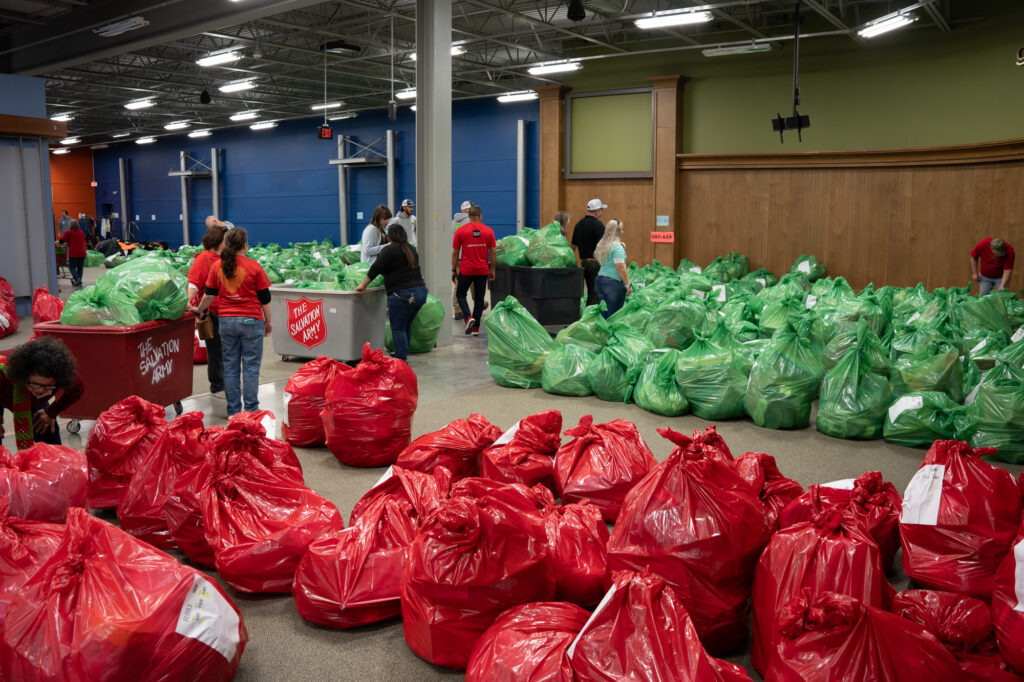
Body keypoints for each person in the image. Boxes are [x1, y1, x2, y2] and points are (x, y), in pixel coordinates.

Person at [190, 228, 272, 416]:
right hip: (251, 321)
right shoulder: (254, 266)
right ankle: (251, 409)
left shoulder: (217, 266)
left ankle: (234, 412)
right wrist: (269, 322)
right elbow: (265, 298)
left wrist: (199, 309)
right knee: (251, 366)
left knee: (230, 366)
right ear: (245, 244)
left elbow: (209, 295)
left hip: (226, 321)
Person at [355, 224, 428, 362]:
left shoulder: (389, 250)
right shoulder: (411, 248)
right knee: (406, 325)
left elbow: (376, 268)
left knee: (398, 328)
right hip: (420, 292)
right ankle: (402, 353)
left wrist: (363, 285)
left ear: (389, 237)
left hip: (403, 294)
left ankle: (401, 359)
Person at [0, 336, 84, 448]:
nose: (40, 390)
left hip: (31, 401)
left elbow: (78, 389)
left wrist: (52, 412)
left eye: (48, 386)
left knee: (47, 432)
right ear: (25, 375)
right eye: (35, 384)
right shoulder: (3, 374)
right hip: (4, 390)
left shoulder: (62, 373)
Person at [187, 223, 227, 397]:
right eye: (225, 240)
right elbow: (193, 283)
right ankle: (217, 386)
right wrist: (189, 302)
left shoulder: (226, 257)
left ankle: (228, 382)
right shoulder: (204, 259)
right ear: (217, 241)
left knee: (229, 350)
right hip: (212, 313)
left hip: (229, 312)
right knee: (216, 351)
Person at [452, 205, 496, 336]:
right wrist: (492, 269)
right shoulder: (488, 231)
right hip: (482, 270)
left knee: (460, 294)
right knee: (479, 299)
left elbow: (455, 252)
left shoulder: (461, 231)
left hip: (466, 270)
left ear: (469, 216)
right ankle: (476, 329)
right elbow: (493, 252)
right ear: (480, 216)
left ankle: (468, 318)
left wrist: (453, 269)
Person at [593, 219, 632, 319]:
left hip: (600, 280)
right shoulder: (617, 248)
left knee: (603, 314)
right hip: (613, 283)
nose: (622, 232)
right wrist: (627, 284)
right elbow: (620, 267)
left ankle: (602, 329)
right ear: (617, 231)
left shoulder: (602, 245)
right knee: (614, 316)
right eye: (621, 230)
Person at [571, 198, 607, 306]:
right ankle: (591, 314)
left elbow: (573, 246)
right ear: (597, 211)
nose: (602, 212)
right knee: (595, 293)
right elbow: (603, 247)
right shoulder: (598, 225)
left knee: (589, 291)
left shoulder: (579, 224)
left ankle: (588, 311)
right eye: (601, 210)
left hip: (584, 263)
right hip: (595, 264)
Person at [451, 201, 474, 320]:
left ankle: (457, 310)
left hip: (457, 258)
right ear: (468, 210)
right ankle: (479, 304)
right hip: (468, 257)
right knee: (474, 282)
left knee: (458, 284)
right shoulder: (471, 222)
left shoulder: (453, 222)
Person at [57, 219, 88, 287]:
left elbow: (62, 241)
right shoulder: (81, 232)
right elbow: (83, 240)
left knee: (72, 267)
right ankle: (79, 282)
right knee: (80, 268)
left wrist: (57, 243)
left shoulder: (68, 232)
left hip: (74, 253)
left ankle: (77, 279)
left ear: (71, 225)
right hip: (82, 253)